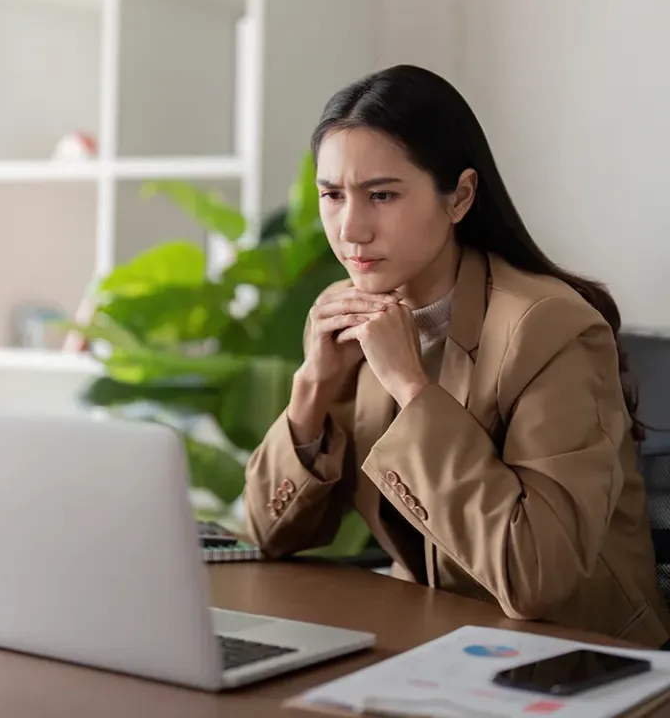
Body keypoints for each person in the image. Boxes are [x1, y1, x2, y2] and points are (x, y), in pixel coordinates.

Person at [243, 65, 670, 647]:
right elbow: (268, 535)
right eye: (333, 196)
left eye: (383, 195)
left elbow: (534, 576)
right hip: (427, 634)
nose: (351, 230)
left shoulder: (548, 329)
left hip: (574, 655)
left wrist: (411, 387)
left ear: (460, 197)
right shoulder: (348, 310)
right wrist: (313, 386)